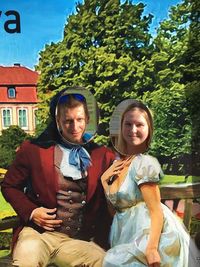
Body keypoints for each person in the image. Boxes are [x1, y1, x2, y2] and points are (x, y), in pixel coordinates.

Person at [1, 87, 115, 267]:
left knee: (106, 262)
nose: (75, 127)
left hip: (76, 242)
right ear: (58, 122)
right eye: (68, 121)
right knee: (27, 259)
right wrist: (32, 212)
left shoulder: (102, 155)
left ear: (87, 119)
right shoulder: (33, 149)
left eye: (79, 120)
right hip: (37, 235)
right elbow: (9, 186)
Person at [101, 99, 200, 267]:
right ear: (121, 127)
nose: (133, 130)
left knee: (113, 262)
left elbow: (155, 211)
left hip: (149, 234)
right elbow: (116, 212)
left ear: (148, 129)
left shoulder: (144, 163)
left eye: (139, 124)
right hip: (125, 232)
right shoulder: (116, 167)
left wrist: (152, 248)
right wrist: (105, 182)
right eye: (128, 124)